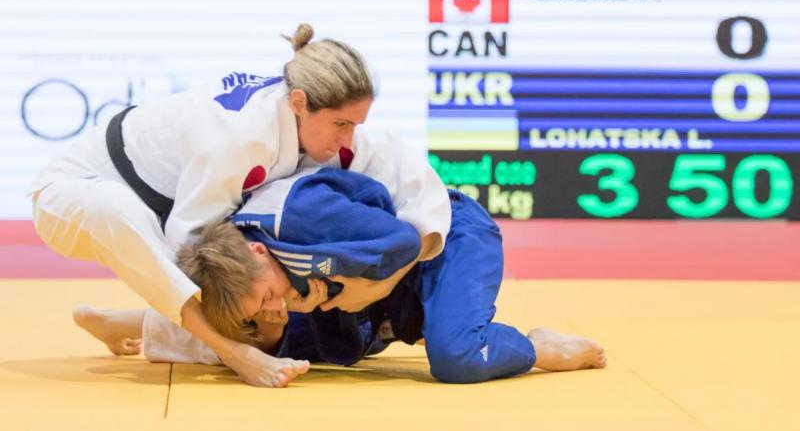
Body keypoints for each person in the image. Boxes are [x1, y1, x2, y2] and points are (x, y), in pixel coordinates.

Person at [30, 23, 450, 388]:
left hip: (159, 205)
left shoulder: (301, 118)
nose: (347, 137)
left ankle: (128, 323)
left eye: (355, 125)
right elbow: (188, 252)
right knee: (205, 272)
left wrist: (385, 278)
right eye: (341, 124)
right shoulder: (242, 139)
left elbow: (394, 163)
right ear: (300, 102)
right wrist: (240, 344)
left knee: (262, 292)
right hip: (71, 194)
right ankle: (233, 353)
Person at [75, 167, 606, 383]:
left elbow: (403, 242)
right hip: (385, 300)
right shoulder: (249, 269)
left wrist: (356, 289)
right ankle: (137, 323)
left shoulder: (307, 220)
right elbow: (264, 310)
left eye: (266, 296)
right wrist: (276, 321)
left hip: (446, 240)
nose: (272, 305)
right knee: (266, 345)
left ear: (261, 253)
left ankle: (538, 346)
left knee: (455, 357)